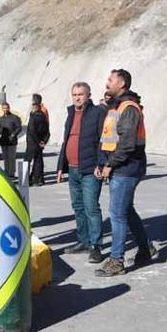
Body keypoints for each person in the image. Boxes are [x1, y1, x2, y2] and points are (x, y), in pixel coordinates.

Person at [94, 69, 156, 277]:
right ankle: (146, 249)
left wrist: (110, 164)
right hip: (121, 166)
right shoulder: (117, 106)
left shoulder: (128, 107)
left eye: (110, 79)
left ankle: (116, 261)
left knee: (117, 214)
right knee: (127, 211)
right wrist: (102, 162)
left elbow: (127, 144)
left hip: (126, 168)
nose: (107, 82)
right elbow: (109, 140)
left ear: (122, 83)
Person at [56, 82, 106, 263]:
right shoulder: (71, 113)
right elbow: (66, 140)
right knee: (78, 207)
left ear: (88, 95)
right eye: (74, 94)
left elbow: (103, 141)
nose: (77, 97)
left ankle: (96, 246)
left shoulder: (97, 113)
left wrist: (101, 164)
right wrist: (61, 166)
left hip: (90, 169)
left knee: (91, 208)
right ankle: (83, 241)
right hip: (72, 169)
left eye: (81, 94)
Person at [26, 102, 50, 186]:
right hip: (40, 143)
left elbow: (32, 131)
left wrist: (37, 142)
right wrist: (43, 141)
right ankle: (38, 180)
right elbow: (47, 132)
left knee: (27, 161)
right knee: (38, 161)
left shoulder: (33, 118)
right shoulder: (44, 117)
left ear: (34, 108)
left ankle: (24, 180)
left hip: (32, 143)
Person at [0, 103, 21, 177]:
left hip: (12, 141)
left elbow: (19, 128)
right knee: (5, 157)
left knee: (11, 157)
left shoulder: (14, 117)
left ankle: (12, 172)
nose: (5, 109)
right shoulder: (0, 119)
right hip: (3, 140)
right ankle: (6, 171)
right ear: (2, 109)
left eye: (7, 108)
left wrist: (13, 134)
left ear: (9, 108)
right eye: (4, 108)